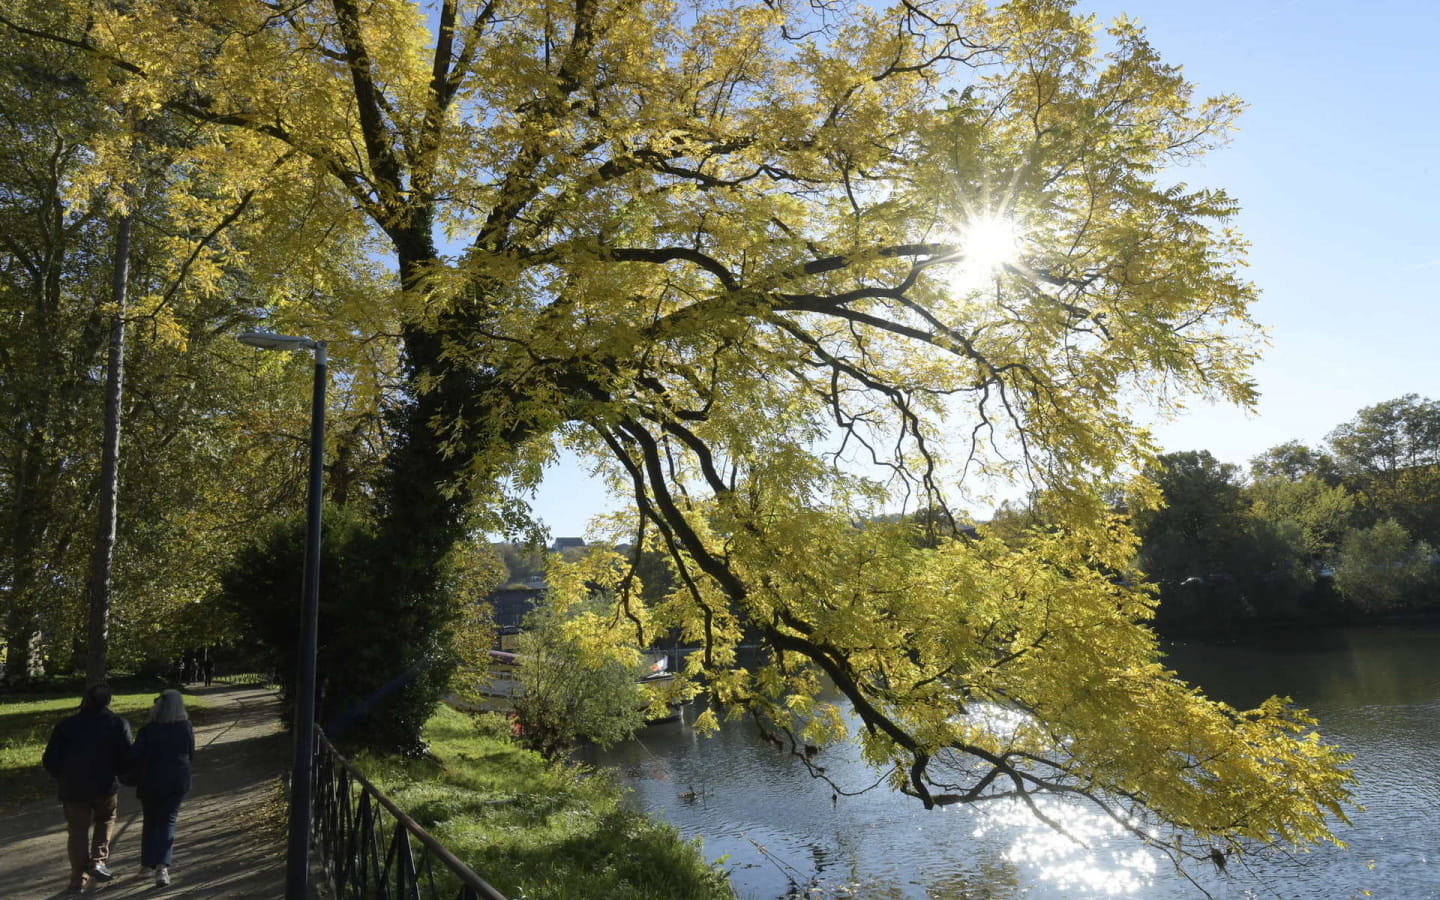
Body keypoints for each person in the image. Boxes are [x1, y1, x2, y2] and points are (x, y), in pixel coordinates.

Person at [42, 682, 133, 894]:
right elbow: (127, 757)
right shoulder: (118, 724)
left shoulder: (67, 725)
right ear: (108, 700)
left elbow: (50, 759)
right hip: (106, 785)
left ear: (86, 699)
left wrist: (62, 776)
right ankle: (98, 861)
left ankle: (77, 878)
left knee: (77, 832)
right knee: (105, 821)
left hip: (73, 788)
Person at [128, 689, 195, 887]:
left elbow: (135, 756)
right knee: (168, 821)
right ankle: (162, 867)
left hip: (151, 780)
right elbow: (190, 753)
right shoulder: (185, 727)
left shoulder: (149, 730)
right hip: (176, 780)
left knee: (150, 821)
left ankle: (146, 866)